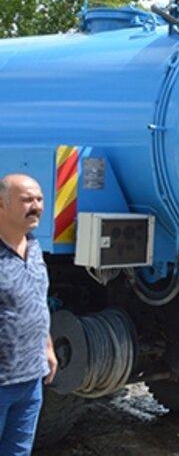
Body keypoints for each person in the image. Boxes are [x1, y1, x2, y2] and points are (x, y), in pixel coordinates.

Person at [0, 173, 58, 456]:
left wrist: (47, 346)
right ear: (2, 205)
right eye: (27, 200)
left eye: (39, 199)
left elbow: (36, 300)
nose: (36, 206)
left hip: (31, 379)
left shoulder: (34, 247)